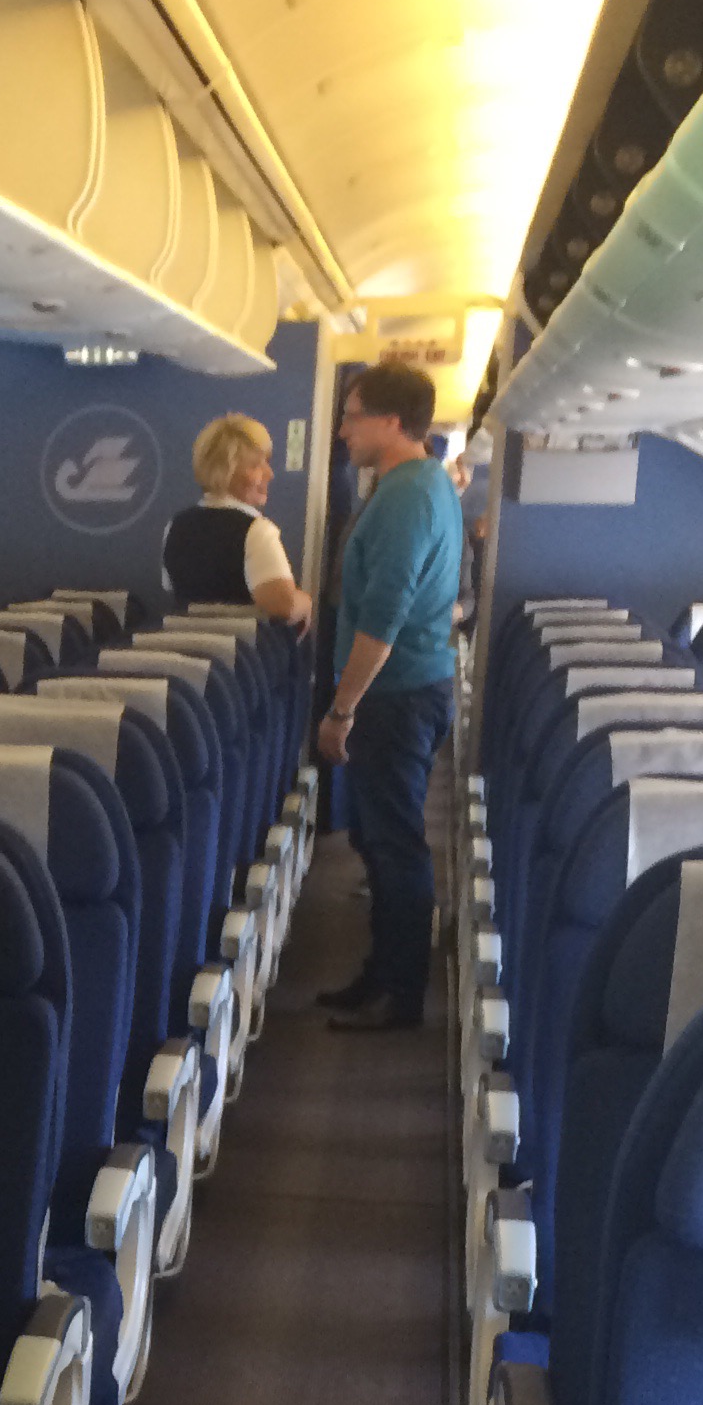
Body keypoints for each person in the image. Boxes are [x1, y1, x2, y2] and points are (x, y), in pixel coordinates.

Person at [312, 361, 465, 1033]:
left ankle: (402, 996)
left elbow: (383, 615)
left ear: (392, 422)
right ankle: (382, 974)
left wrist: (342, 709)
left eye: (352, 417)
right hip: (405, 690)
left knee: (397, 846)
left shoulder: (407, 495)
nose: (343, 431)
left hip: (394, 696)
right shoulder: (417, 483)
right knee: (380, 841)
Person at [160, 413, 312, 630]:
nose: (269, 474)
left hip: (186, 645)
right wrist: (306, 602)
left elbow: (172, 588)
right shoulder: (257, 532)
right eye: (256, 465)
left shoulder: (175, 526)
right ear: (225, 472)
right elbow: (282, 607)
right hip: (241, 649)